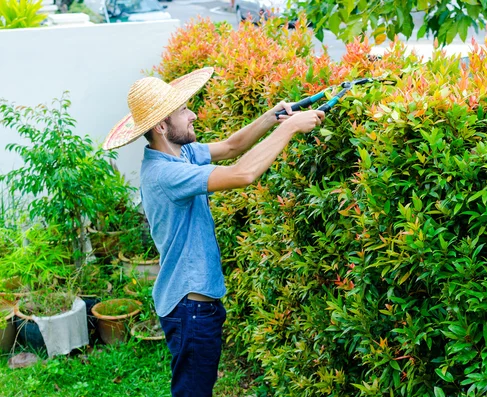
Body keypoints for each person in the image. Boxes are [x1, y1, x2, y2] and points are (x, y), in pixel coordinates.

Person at [103, 67, 325, 396]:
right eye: (183, 111)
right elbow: (243, 173)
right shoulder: (165, 173)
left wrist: (272, 117)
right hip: (190, 309)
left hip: (195, 307)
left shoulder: (182, 152)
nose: (193, 115)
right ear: (163, 126)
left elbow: (234, 147)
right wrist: (290, 128)